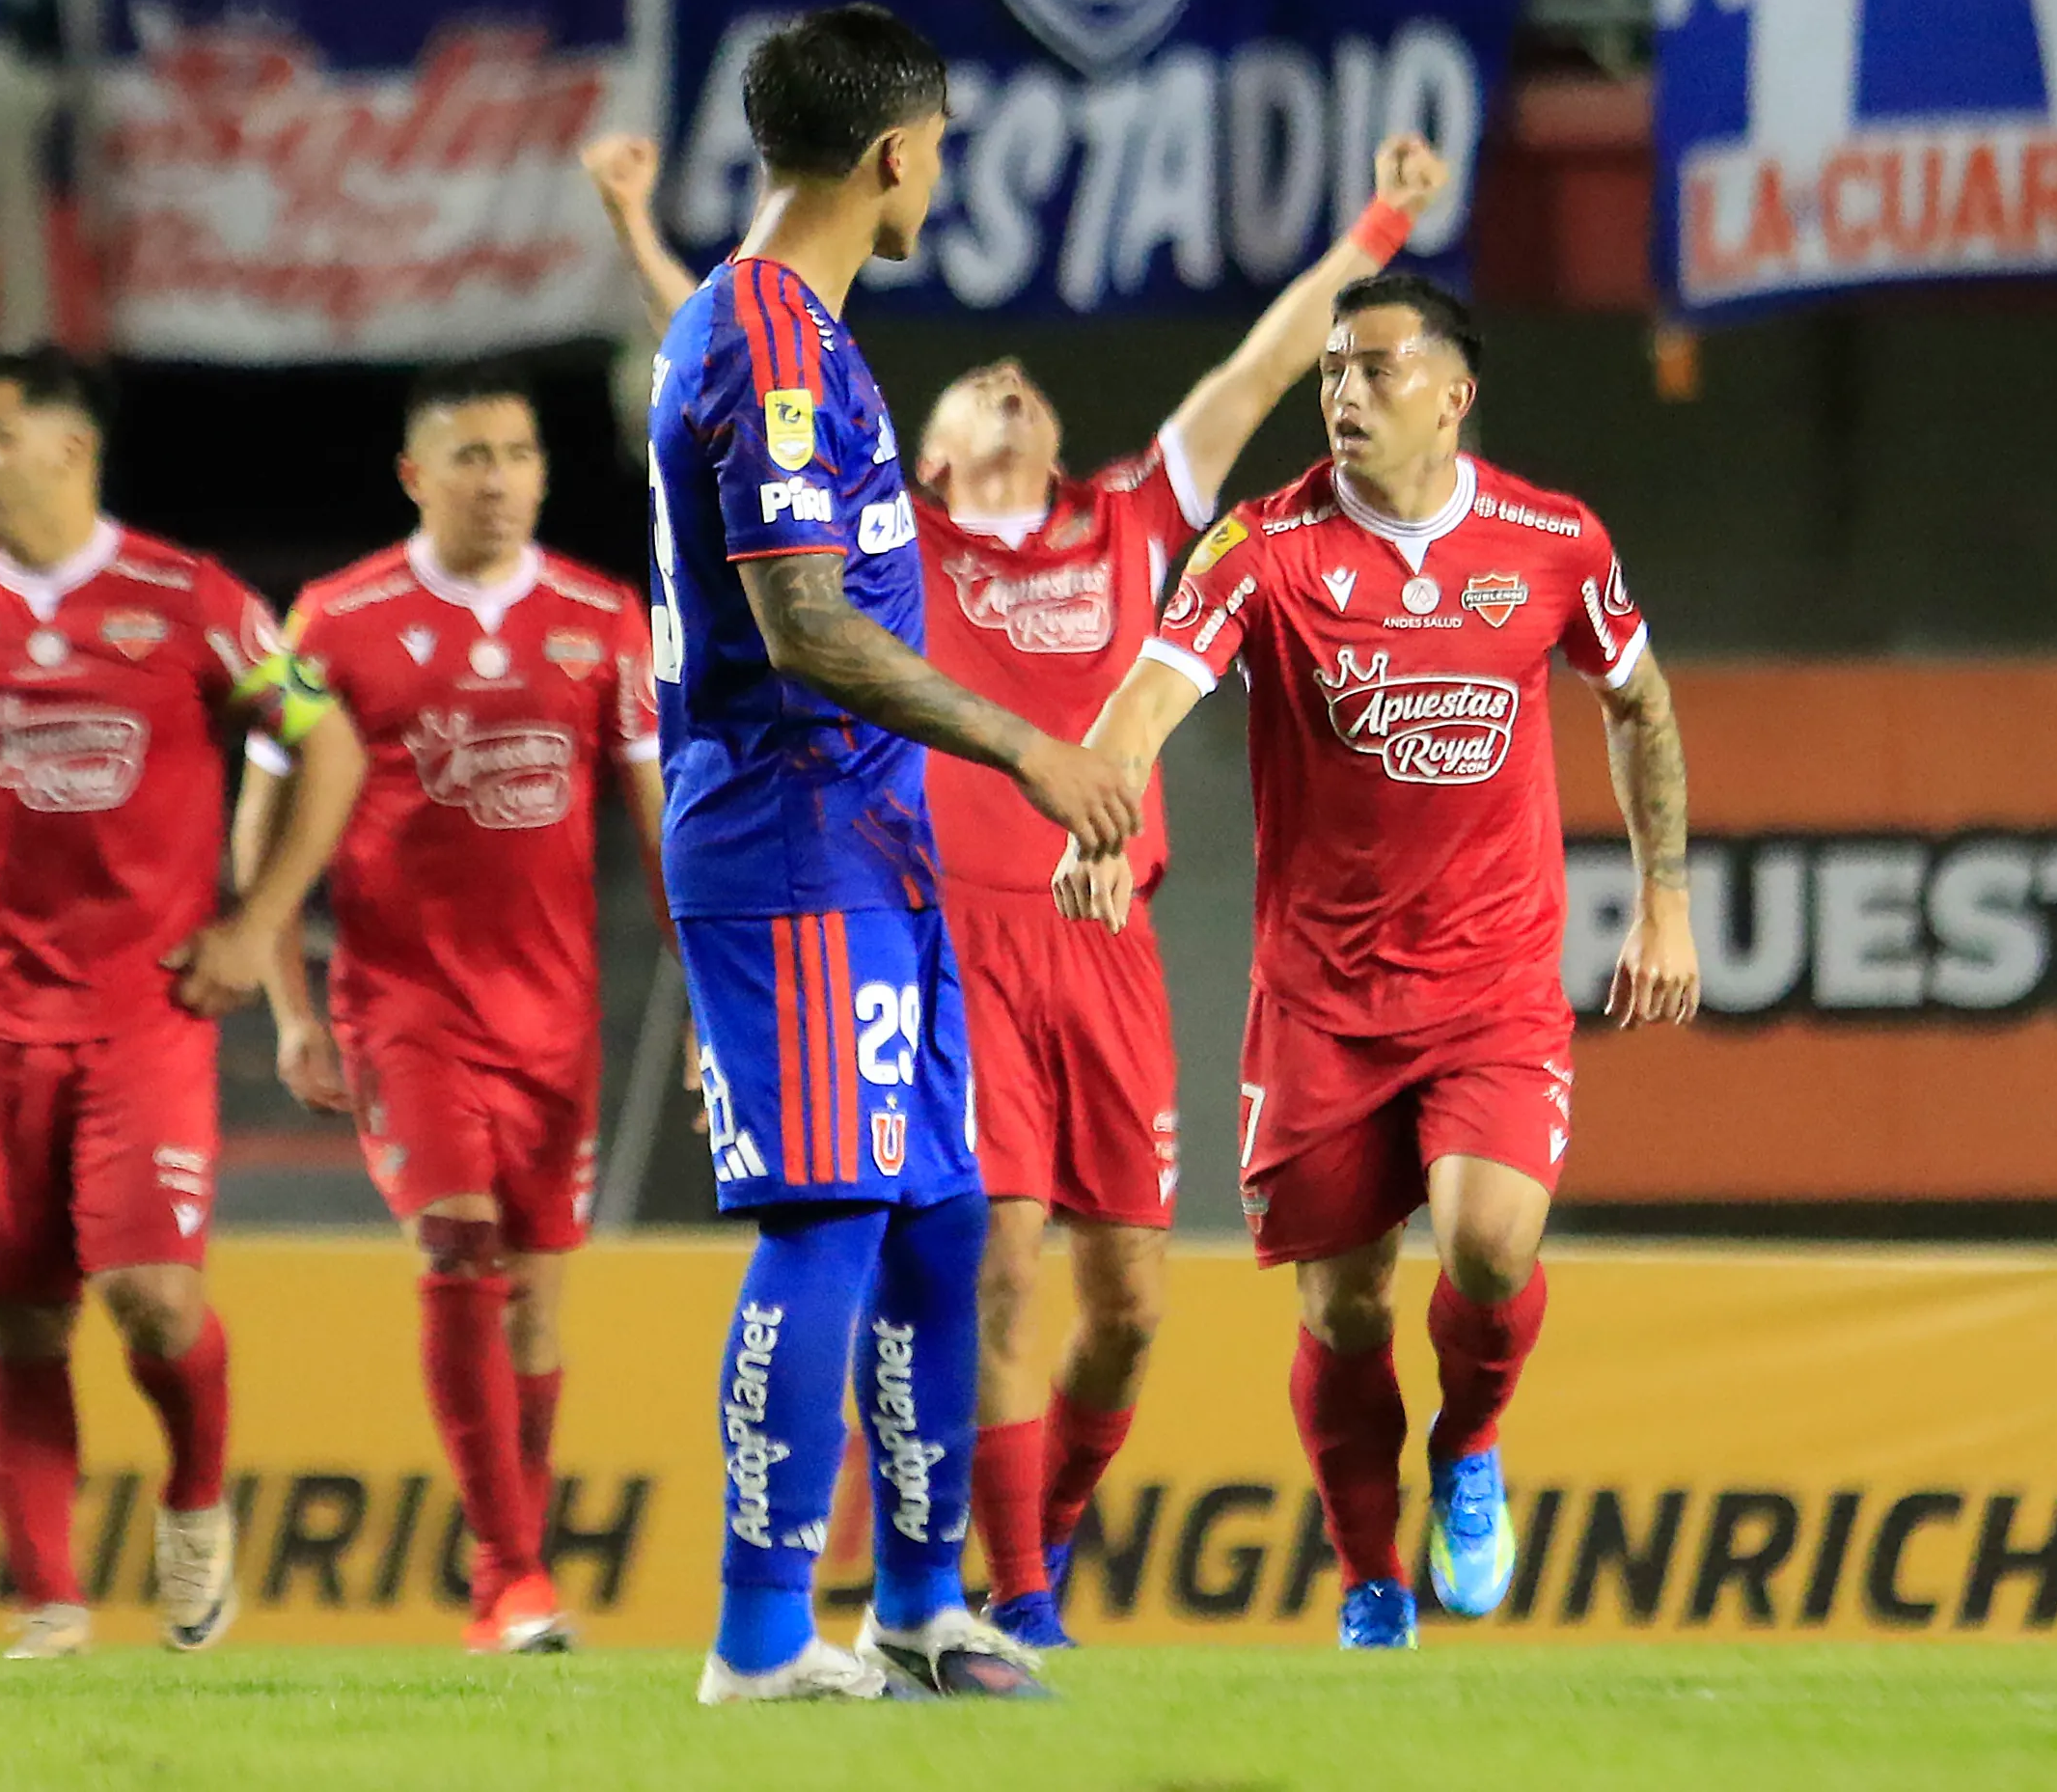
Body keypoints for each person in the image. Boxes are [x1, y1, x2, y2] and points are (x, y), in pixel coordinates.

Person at [586, 125, 1451, 1648]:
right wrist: (636, 232)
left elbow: (1258, 369)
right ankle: (1014, 1599)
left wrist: (1375, 223)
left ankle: (1020, 1550)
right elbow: (733, 367)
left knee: (1127, 1305)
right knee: (985, 1265)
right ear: (915, 457)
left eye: (1025, 383)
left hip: (1103, 951)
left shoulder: (1126, 521)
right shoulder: (891, 542)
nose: (1004, 378)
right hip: (951, 938)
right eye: (972, 386)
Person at [1054, 276, 1701, 1649]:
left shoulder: (1552, 542)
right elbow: (1145, 697)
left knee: (1487, 1240)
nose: (1344, 392)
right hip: (1322, 1003)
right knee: (1346, 1306)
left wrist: (1666, 896)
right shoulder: (1262, 549)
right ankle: (1369, 1577)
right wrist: (1100, 813)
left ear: (1455, 391)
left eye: (1376, 368)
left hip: (1493, 985)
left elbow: (1636, 699)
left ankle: (1470, 1445)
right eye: (1331, 371)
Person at [645, 4, 1138, 1702]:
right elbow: (799, 625)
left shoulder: (805, 332)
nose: (945, 178)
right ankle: (761, 1631)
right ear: (895, 156)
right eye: (943, 151)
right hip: (786, 836)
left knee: (935, 1221)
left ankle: (921, 1604)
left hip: (874, 842)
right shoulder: (771, 342)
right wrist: (1020, 740)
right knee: (831, 1220)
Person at [0, 345, 365, 1660]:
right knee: (22, 1311)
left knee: (153, 1297)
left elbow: (324, 739)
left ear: (69, 447)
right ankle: (49, 1604)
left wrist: (258, 921)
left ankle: (192, 1496)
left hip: (144, 1008)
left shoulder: (188, 599)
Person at [231, 361, 668, 1655]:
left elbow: (660, 830)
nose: (500, 478)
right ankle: (514, 1573)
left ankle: (507, 1587)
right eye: (471, 455)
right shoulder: (332, 620)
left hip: (555, 1016)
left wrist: (716, 1006)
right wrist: (289, 1005)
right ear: (417, 475)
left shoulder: (603, 619)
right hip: (401, 1006)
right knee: (457, 1244)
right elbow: (263, 819)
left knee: (533, 1296)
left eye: (520, 453)